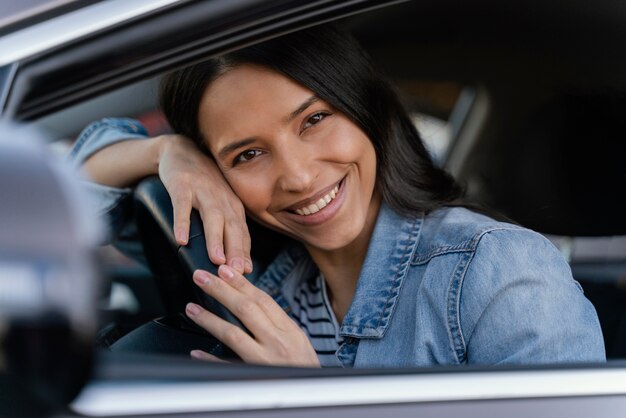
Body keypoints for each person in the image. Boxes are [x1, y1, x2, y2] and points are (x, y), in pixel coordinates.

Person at [69, 25, 605, 368]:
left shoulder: (498, 271)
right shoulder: (248, 272)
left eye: (315, 120)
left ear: (365, 107)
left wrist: (308, 399)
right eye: (247, 155)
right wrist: (169, 152)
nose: (299, 177)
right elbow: (72, 191)